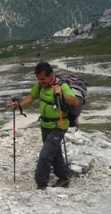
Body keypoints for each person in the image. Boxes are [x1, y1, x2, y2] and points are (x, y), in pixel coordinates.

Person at [11, 62, 78, 190]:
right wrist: (20, 105)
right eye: (38, 79)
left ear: (51, 75)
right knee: (55, 152)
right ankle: (64, 178)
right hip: (45, 125)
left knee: (45, 155)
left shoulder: (61, 86)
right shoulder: (40, 85)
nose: (40, 82)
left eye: (43, 79)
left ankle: (41, 183)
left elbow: (74, 101)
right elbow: (31, 96)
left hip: (59, 125)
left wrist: (62, 94)